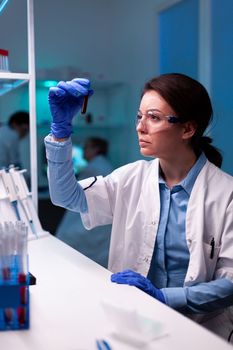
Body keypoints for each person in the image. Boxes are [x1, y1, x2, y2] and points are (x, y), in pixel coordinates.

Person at [44, 75, 233, 341]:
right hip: (134, 323)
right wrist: (61, 134)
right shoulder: (130, 178)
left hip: (201, 333)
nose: (140, 127)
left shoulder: (227, 195)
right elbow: (67, 197)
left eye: (153, 117)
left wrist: (165, 298)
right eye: (138, 116)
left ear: (188, 129)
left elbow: (230, 283)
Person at [56, 137, 113, 267]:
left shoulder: (94, 168)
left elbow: (78, 196)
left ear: (96, 149)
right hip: (98, 218)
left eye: (86, 147)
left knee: (66, 238)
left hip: (94, 219)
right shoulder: (102, 165)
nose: (83, 151)